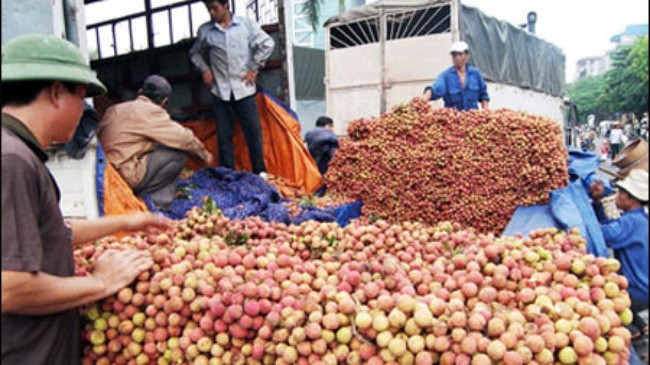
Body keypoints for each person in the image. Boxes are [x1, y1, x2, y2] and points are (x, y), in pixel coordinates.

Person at [1, 34, 174, 365]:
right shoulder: (11, 161)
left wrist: (126, 222)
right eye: (81, 99)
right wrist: (100, 282)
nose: (84, 112)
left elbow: (48, 232)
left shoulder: (16, 153)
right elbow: (10, 287)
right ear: (56, 93)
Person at [98, 75, 213, 208]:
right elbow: (185, 139)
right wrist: (206, 156)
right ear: (164, 101)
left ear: (141, 92)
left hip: (107, 177)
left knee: (157, 143)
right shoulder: (150, 111)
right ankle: (156, 201)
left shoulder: (114, 109)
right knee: (179, 153)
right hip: (127, 175)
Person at [189, 0, 274, 178]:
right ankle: (228, 174)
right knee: (224, 135)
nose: (212, 12)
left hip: (244, 89)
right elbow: (195, 53)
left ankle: (260, 171)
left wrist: (254, 68)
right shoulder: (206, 31)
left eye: (215, 8)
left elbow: (267, 43)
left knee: (253, 132)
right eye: (209, 9)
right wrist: (205, 69)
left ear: (226, 5)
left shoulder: (246, 25)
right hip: (220, 91)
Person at [589, 169, 649, 339]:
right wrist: (597, 203)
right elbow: (610, 227)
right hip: (644, 288)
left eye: (621, 193)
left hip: (638, 291)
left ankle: (628, 327)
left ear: (631, 198)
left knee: (599, 294)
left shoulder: (631, 223)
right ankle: (639, 325)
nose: (616, 196)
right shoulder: (638, 219)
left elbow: (602, 233)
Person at [420, 41, 490, 111]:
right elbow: (435, 88)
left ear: (467, 55)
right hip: (453, 119)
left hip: (472, 119)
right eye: (454, 55)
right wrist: (423, 99)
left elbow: (483, 95)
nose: (457, 57)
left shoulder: (476, 74)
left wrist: (486, 112)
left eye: (460, 54)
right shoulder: (446, 76)